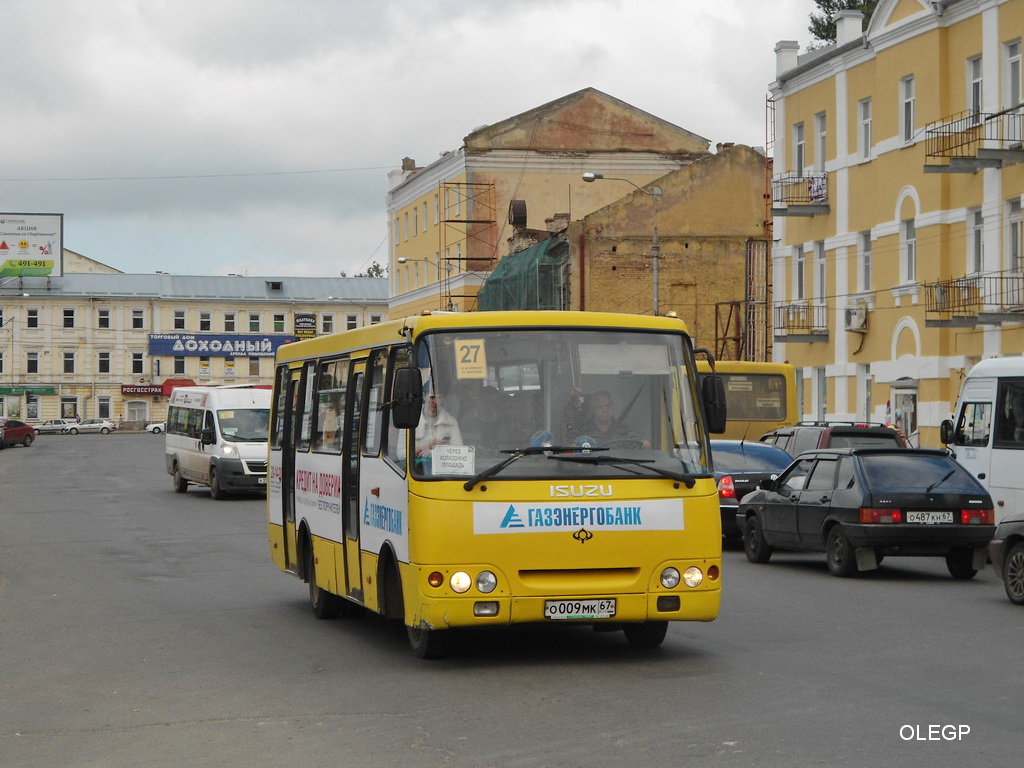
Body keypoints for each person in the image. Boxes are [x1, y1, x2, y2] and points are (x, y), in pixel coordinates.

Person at [580, 390, 650, 448]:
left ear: (613, 406)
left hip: (619, 464)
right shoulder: (583, 431)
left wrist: (644, 445)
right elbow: (571, 450)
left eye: (608, 406)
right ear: (592, 409)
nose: (605, 410)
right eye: (600, 407)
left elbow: (636, 451)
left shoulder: (625, 431)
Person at [415, 393, 463, 458]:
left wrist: (434, 452)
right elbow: (402, 454)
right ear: (423, 396)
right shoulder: (409, 419)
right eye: (432, 397)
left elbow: (459, 451)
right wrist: (430, 445)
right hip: (415, 467)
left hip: (443, 466)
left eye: (439, 397)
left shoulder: (451, 422)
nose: (435, 401)